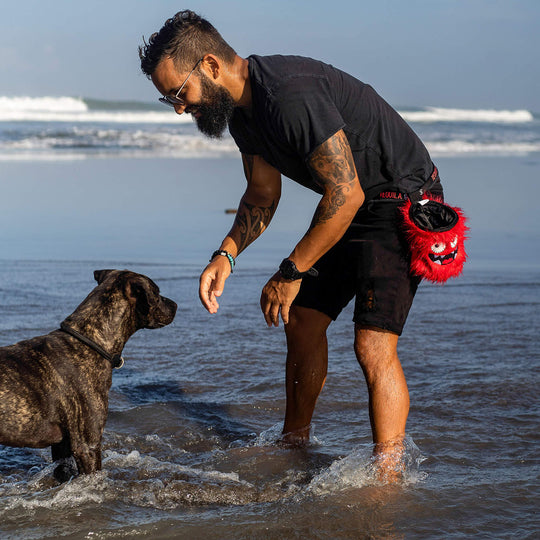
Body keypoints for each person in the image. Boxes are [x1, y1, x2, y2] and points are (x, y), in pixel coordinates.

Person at [139, 10, 444, 474]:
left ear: (211, 66)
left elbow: (346, 194)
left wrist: (290, 272)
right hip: (355, 203)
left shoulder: (288, 95)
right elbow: (263, 194)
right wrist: (226, 254)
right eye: (168, 101)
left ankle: (388, 477)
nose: (179, 108)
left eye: (179, 93)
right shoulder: (245, 117)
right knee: (302, 320)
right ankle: (294, 445)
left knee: (372, 344)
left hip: (402, 197)